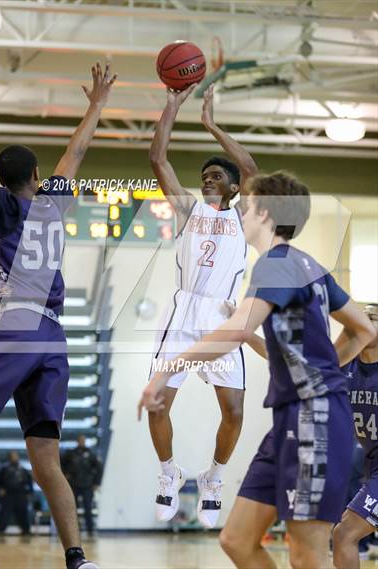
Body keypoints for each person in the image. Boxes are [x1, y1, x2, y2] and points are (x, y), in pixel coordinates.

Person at [139, 170, 375, 569]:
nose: (241, 212)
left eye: (246, 205)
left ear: (264, 212)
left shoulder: (277, 265)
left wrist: (165, 371)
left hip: (314, 420)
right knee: (236, 540)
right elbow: (364, 327)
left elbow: (235, 330)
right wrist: (325, 369)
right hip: (289, 418)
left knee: (306, 554)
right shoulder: (306, 264)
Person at [0, 61, 117, 569]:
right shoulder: (52, 203)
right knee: (46, 458)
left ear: (1, 183)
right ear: (34, 176)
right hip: (53, 336)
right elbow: (76, 153)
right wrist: (95, 105)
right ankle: (77, 557)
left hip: (16, 323)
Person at [147, 82, 257, 528]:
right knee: (157, 402)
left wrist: (211, 124)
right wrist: (172, 105)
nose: (207, 179)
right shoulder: (189, 210)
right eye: (204, 175)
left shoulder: (243, 213)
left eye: (216, 176)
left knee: (234, 411)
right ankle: (169, 472)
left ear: (232, 188)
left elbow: (250, 166)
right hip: (184, 312)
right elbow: (158, 159)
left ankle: (215, 476)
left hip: (221, 315)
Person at [334, 303, 378, 569]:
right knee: (343, 535)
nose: (365, 320)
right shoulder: (345, 366)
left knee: (344, 534)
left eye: (372, 317)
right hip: (372, 467)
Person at [62, 435, 103, 536]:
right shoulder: (71, 453)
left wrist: (96, 483)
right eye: (80, 440)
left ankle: (90, 530)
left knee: (88, 509)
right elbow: (61, 463)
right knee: (72, 509)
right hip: (74, 485)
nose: (82, 442)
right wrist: (65, 474)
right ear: (77, 441)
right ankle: (74, 530)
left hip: (87, 486)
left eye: (83, 440)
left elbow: (99, 468)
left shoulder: (90, 454)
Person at [0, 451, 33, 535]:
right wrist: (0, 489)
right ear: (9, 458)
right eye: (13, 456)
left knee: (23, 512)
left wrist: (30, 492)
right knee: (5, 513)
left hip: (20, 493)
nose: (14, 458)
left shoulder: (23, 469)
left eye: (16, 456)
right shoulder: (4, 469)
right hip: (8, 494)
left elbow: (29, 482)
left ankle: (26, 530)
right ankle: (1, 530)